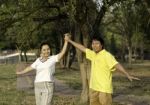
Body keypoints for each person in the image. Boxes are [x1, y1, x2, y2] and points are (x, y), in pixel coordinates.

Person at [65, 34, 140, 105]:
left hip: (104, 90)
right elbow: (82, 48)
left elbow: (116, 64)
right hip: (93, 88)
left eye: (97, 43)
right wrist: (70, 41)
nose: (94, 45)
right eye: (93, 43)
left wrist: (127, 75)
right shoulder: (93, 54)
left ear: (102, 45)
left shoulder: (107, 55)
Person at [16, 34, 68, 105]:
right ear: (41, 51)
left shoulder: (53, 58)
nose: (46, 51)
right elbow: (30, 67)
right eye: (44, 50)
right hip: (37, 85)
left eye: (48, 49)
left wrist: (66, 42)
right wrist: (21, 72)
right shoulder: (38, 60)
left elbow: (63, 53)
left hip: (47, 85)